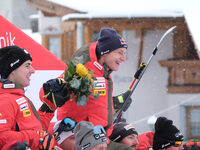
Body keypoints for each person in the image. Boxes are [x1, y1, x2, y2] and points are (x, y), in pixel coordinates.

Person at [0, 46, 70, 150]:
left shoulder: (16, 95)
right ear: (12, 69)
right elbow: (2, 138)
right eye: (27, 66)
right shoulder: (5, 100)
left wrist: (48, 107)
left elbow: (35, 128)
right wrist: (38, 138)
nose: (32, 71)